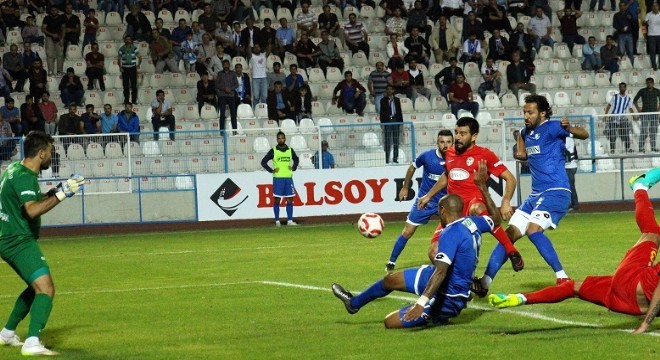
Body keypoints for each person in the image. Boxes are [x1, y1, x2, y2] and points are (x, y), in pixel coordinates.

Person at [489, 169, 660, 335]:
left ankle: (640, 186)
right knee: (573, 288)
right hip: (627, 305)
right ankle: (521, 298)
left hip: (629, 282)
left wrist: (646, 324)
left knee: (652, 232)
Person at [332, 161, 500, 328]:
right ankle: (353, 303)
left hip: (450, 296)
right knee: (390, 280)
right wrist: (483, 188)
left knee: (389, 322)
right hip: (440, 278)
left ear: (442, 211)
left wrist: (421, 303)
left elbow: (441, 271)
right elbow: (496, 220)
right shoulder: (473, 222)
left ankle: (438, 315)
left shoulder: (450, 233)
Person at [475, 95, 590, 296]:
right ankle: (484, 283)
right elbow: (522, 146)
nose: (526, 116)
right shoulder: (525, 131)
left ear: (542, 113)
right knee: (507, 237)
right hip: (536, 194)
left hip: (556, 191)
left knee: (532, 230)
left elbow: (585, 134)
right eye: (524, 112)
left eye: (530, 112)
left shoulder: (553, 127)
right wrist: (520, 154)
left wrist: (570, 128)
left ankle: (562, 276)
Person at [0, 131, 85, 356]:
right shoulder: (25, 176)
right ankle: (33, 342)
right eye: (50, 152)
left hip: (9, 236)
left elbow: (23, 202)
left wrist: (54, 191)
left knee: (34, 287)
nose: (51, 156)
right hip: (17, 240)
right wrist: (62, 195)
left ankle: (7, 334)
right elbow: (31, 210)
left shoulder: (14, 169)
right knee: (46, 288)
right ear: (40, 153)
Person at [418, 117, 523, 271]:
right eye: (456, 133)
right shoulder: (450, 152)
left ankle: (511, 251)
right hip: (453, 211)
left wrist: (506, 201)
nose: (458, 137)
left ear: (474, 136)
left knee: (477, 209)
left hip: (475, 203)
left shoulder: (485, 155)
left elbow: (510, 178)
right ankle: (464, 279)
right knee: (434, 253)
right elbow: (448, 175)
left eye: (463, 133)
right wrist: (428, 195)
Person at [386, 130, 453, 271]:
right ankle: (391, 261)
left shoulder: (455, 159)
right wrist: (405, 187)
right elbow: (412, 168)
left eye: (448, 142)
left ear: (452, 142)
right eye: (442, 142)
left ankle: (452, 262)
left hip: (445, 203)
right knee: (407, 231)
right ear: (437, 143)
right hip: (425, 201)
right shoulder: (427, 156)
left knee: (454, 232)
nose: (445, 145)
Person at [260, 131, 299, 227]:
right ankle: (277, 221)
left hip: (288, 178)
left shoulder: (290, 150)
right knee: (277, 199)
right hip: (278, 179)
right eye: (279, 138)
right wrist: (271, 170)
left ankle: (290, 220)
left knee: (290, 199)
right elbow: (263, 162)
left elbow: (296, 159)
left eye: (282, 138)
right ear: (277, 140)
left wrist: (293, 167)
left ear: (285, 139)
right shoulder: (273, 151)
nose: (280, 140)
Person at [604, 82, 635, 154]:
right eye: (621, 87)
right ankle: (612, 150)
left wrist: (634, 115)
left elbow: (630, 108)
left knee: (626, 133)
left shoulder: (628, 98)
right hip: (614, 116)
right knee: (612, 134)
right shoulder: (615, 96)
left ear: (625, 88)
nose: (622, 88)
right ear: (619, 88)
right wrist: (605, 115)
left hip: (623, 117)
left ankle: (627, 149)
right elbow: (609, 105)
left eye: (623, 87)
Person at [633, 78, 660, 152]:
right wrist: (639, 110)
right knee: (643, 130)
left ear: (653, 83)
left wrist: (658, 110)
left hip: (654, 114)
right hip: (644, 113)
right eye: (648, 82)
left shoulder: (657, 91)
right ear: (646, 83)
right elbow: (635, 100)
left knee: (653, 131)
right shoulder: (642, 91)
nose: (649, 84)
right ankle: (641, 147)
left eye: (651, 82)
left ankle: (653, 147)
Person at [379, 85, 403, 165]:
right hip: (387, 121)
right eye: (388, 89)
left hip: (396, 120)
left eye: (391, 89)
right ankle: (386, 159)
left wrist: (401, 122)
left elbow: (399, 111)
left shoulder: (397, 100)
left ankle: (395, 159)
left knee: (396, 141)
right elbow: (381, 112)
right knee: (387, 141)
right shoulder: (383, 100)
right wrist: (382, 123)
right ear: (386, 91)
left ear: (393, 90)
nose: (389, 91)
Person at [216, 60, 239, 133]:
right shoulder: (219, 74)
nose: (226, 66)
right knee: (222, 114)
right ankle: (222, 131)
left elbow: (236, 84)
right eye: (224, 65)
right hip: (222, 96)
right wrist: (224, 88)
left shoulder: (233, 73)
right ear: (222, 66)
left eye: (227, 64)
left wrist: (230, 89)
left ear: (229, 65)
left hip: (231, 96)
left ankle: (234, 130)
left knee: (233, 114)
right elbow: (216, 85)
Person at [118, 35, 142, 104]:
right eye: (126, 39)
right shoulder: (121, 49)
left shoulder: (135, 48)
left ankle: (134, 101)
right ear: (124, 40)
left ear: (131, 40)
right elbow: (119, 59)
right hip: (125, 69)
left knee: (134, 86)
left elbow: (140, 58)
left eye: (129, 39)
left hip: (133, 68)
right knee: (126, 86)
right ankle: (126, 101)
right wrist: (120, 67)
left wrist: (138, 65)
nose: (128, 40)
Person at [41, 6, 64, 76]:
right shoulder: (47, 18)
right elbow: (43, 29)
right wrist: (52, 34)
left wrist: (62, 39)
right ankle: (50, 72)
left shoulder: (61, 18)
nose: (54, 11)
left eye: (55, 10)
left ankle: (59, 71)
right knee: (50, 55)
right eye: (52, 10)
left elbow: (63, 28)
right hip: (49, 37)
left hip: (59, 37)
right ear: (50, 11)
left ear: (58, 11)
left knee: (60, 55)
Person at [613, 1, 634, 67]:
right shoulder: (616, 15)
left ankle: (632, 65)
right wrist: (620, 29)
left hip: (629, 35)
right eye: (621, 6)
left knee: (630, 52)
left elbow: (633, 23)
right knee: (621, 52)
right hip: (621, 35)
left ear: (625, 6)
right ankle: (621, 66)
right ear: (619, 7)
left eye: (623, 6)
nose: (622, 7)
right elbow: (614, 25)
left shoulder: (629, 14)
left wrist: (630, 19)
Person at [564, 135, 579, 211]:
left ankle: (575, 204)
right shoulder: (571, 138)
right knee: (570, 186)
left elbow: (563, 150)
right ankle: (573, 204)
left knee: (570, 187)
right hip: (573, 165)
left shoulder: (566, 139)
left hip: (568, 166)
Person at [646, 3, 660, 71]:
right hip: (651, 35)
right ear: (652, 7)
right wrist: (645, 22)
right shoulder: (648, 14)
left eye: (656, 6)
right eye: (653, 6)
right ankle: (654, 66)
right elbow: (644, 22)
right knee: (652, 51)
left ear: (658, 7)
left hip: (659, 35)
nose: (655, 7)